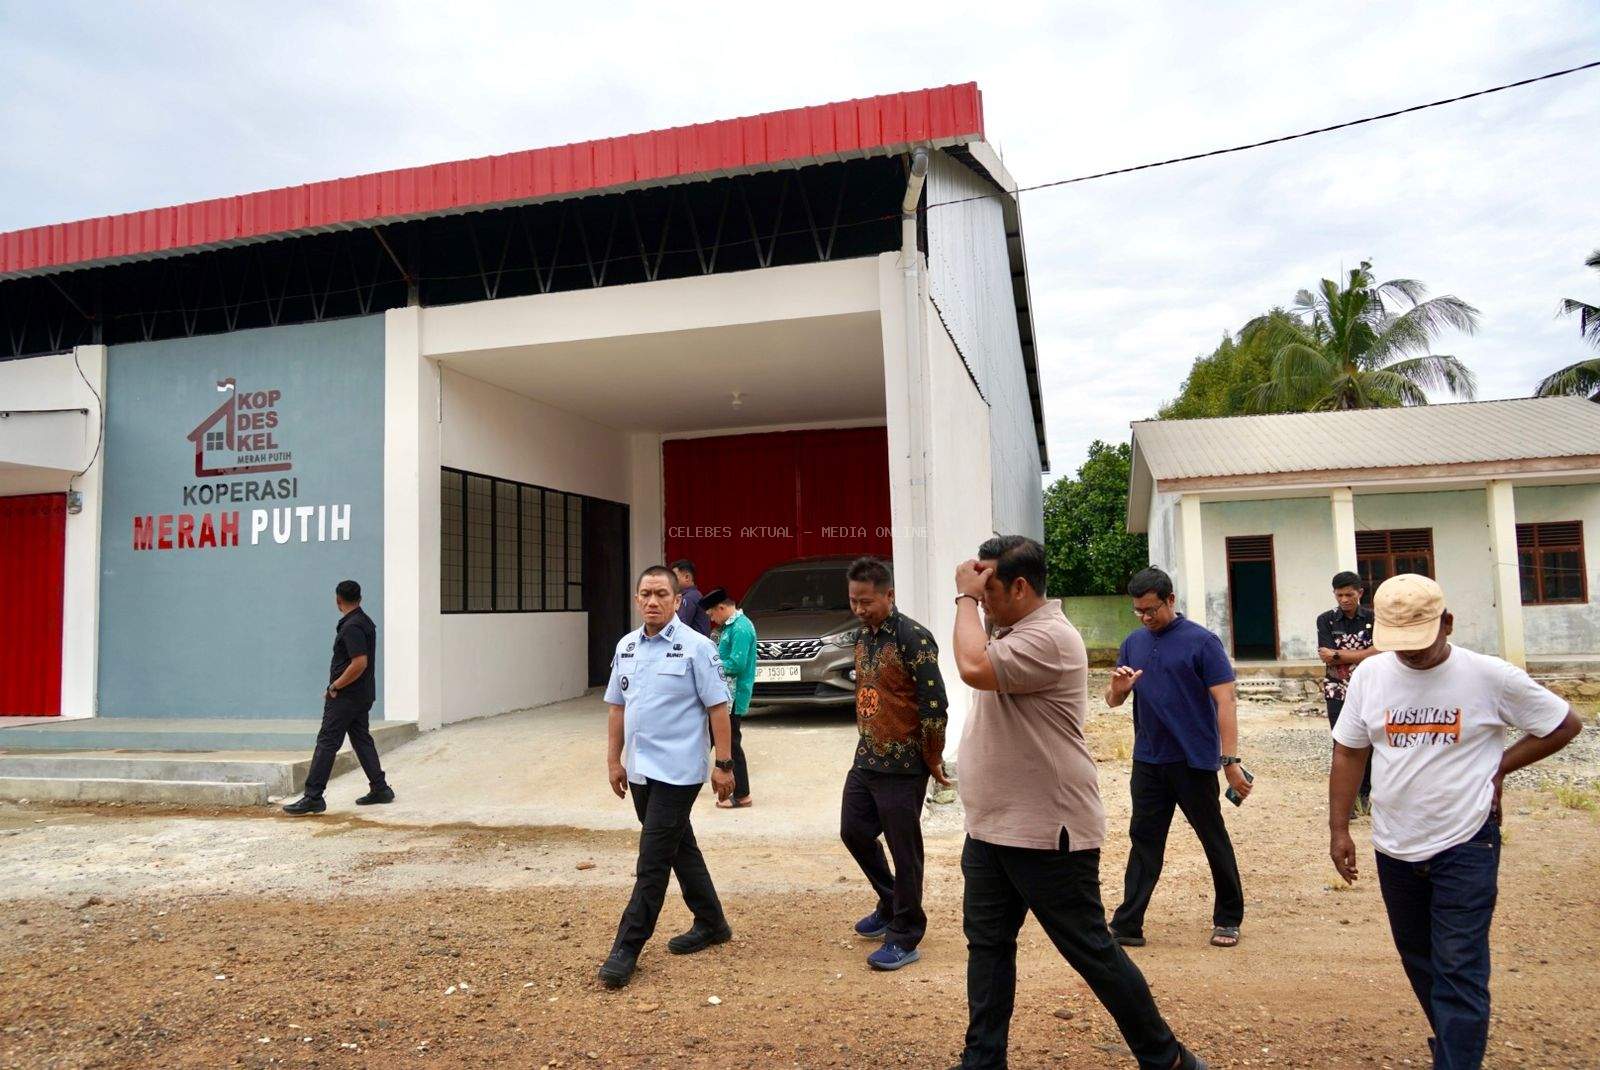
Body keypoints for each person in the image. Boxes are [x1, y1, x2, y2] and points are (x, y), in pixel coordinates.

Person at [950, 537, 1207, 1070]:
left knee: (1091, 949)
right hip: (992, 827)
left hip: (1047, 829)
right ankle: (983, 1061)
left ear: (1020, 588)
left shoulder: (1049, 637)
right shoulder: (1011, 630)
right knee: (988, 946)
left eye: (989, 587)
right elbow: (978, 653)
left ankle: (1168, 1059)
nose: (981, 597)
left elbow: (972, 666)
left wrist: (963, 598)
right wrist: (978, 599)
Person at [1330, 574, 1581, 1069]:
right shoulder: (1371, 675)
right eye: (1399, 644)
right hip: (1394, 844)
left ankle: (1455, 1057)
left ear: (1447, 623)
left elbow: (1562, 724)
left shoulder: (1489, 676)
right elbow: (1350, 751)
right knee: (1419, 959)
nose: (1410, 654)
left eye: (1420, 642)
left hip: (1466, 841)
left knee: (1459, 966)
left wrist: (1498, 767)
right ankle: (1453, 1043)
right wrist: (1340, 829)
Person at [598, 565, 738, 989]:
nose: (652, 601)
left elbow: (718, 709)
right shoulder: (626, 646)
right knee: (679, 847)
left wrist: (724, 764)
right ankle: (712, 922)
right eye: (646, 594)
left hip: (679, 771)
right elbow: (617, 707)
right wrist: (614, 761)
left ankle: (626, 948)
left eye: (662, 594)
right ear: (637, 599)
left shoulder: (697, 647)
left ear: (678, 600)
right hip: (641, 771)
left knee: (653, 860)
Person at [1106, 567, 1250, 949]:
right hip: (1148, 760)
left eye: (1151, 609)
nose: (1145, 617)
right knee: (1144, 842)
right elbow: (1114, 700)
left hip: (1192, 761)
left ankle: (1228, 917)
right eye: (1138, 611)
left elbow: (1225, 701)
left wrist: (1230, 760)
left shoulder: (1203, 642)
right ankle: (1128, 924)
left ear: (1170, 600)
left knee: (1212, 838)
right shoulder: (1133, 642)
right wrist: (1117, 689)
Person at [839, 555, 950, 972]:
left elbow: (934, 703)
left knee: (905, 850)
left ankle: (905, 933)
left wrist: (933, 755)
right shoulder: (863, 636)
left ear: (889, 594)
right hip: (866, 756)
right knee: (853, 831)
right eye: (853, 600)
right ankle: (890, 901)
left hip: (904, 764)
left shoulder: (913, 637)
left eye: (866, 601)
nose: (859, 608)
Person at [283, 580, 393, 815]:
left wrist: (335, 686)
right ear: (360, 598)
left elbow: (359, 662)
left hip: (346, 697)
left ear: (338, 600)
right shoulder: (364, 621)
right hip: (361, 695)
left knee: (327, 742)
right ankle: (380, 788)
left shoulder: (352, 626)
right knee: (361, 739)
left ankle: (313, 796)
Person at [1317, 570, 1378, 812]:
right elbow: (1326, 655)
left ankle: (1365, 794)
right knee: (1342, 743)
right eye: (1339, 595)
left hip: (1370, 688)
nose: (1344, 599)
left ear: (1360, 593)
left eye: (1349, 594)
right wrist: (1364, 654)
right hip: (1337, 690)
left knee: (1370, 741)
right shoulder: (1326, 620)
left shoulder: (1374, 618)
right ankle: (1346, 802)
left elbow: (1381, 651)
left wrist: (1340, 654)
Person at [702, 586, 756, 808]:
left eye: (712, 614)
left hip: (732, 697)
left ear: (721, 608)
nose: (712, 619)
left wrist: (709, 665)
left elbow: (736, 664)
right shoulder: (728, 627)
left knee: (731, 744)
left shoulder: (741, 627)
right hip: (722, 696)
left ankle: (742, 794)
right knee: (709, 739)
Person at [671, 559, 713, 637]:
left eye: (674, 577)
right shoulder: (695, 595)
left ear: (687, 577)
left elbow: (680, 627)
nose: (672, 581)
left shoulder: (688, 598)